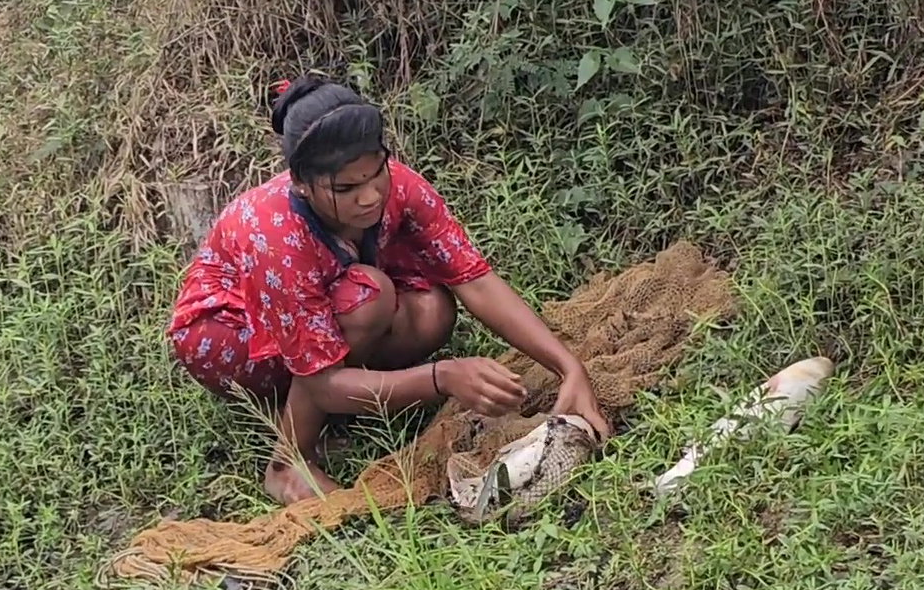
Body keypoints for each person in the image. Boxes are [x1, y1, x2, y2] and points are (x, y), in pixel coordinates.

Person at [166, 75, 611, 504]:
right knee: (368, 297)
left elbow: (473, 279)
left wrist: (567, 367)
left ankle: (346, 407)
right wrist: (442, 378)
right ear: (301, 185)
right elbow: (318, 380)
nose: (369, 197)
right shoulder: (278, 234)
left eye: (375, 174)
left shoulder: (398, 185)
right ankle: (287, 460)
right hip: (230, 337)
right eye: (346, 188)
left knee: (433, 308)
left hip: (322, 319)